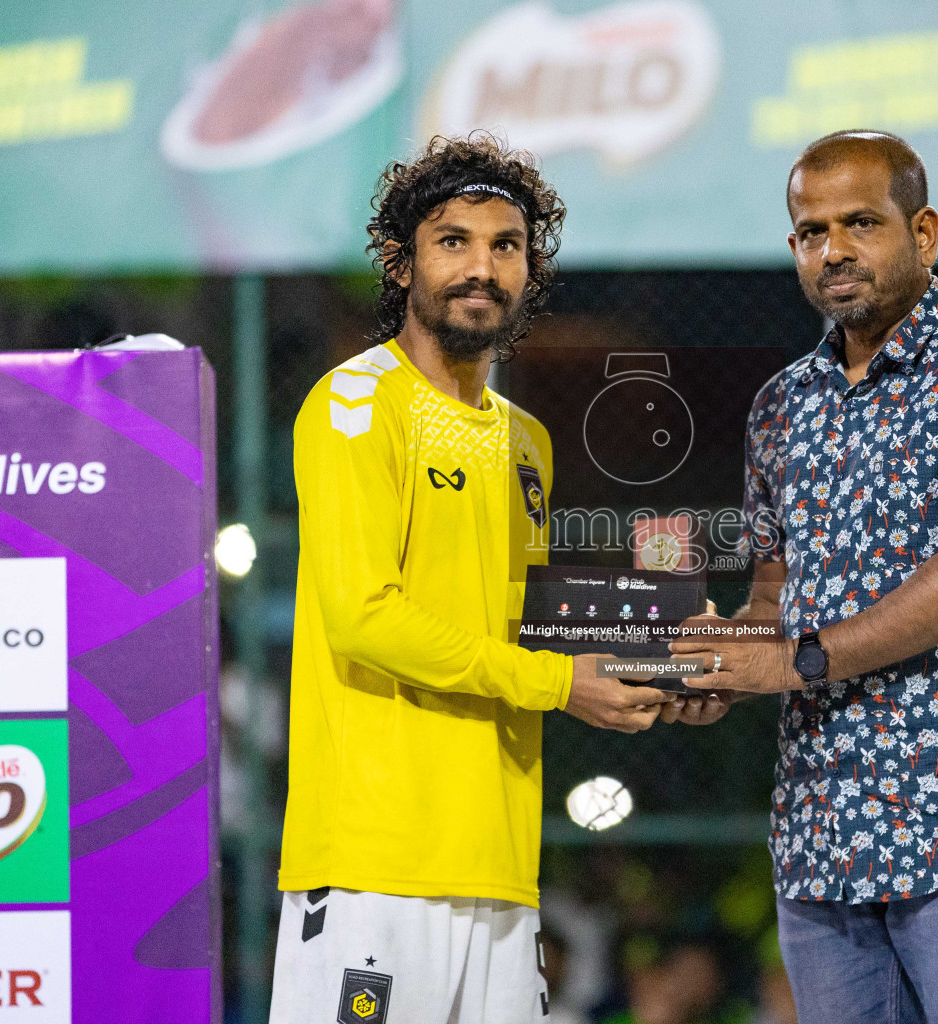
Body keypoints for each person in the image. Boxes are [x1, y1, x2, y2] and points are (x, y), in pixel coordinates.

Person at [269, 134, 723, 1024]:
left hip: (501, 865)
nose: (482, 266)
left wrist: (664, 671)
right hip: (377, 863)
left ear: (528, 270)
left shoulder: (524, 440)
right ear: (402, 266)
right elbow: (365, 619)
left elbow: (522, 622)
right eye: (454, 242)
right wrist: (562, 682)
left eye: (505, 246)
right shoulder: (356, 407)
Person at [670, 129, 938, 1024]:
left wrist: (793, 662)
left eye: (861, 223)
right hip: (820, 843)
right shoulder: (781, 406)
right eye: (812, 231)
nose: (834, 248)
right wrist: (709, 668)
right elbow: (773, 607)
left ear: (922, 233)